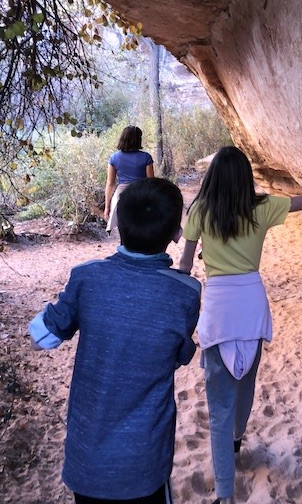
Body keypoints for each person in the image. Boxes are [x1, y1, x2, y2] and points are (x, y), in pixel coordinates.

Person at [179, 129, 302, 504]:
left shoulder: (198, 213)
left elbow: (185, 269)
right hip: (253, 308)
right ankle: (238, 441)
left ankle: (225, 494)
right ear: (245, 178)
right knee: (246, 384)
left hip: (218, 313)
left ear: (210, 181)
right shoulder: (263, 208)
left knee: (219, 403)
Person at [28, 178, 201, 504]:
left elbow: (42, 336)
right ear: (176, 233)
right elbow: (178, 354)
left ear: (118, 223)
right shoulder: (186, 294)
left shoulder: (86, 277)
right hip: (144, 460)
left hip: (87, 459)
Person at [104, 125, 154, 233]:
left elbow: (110, 184)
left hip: (121, 194)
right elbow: (151, 182)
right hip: (141, 192)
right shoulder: (146, 157)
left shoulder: (114, 158)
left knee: (123, 229)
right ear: (138, 140)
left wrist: (107, 207)